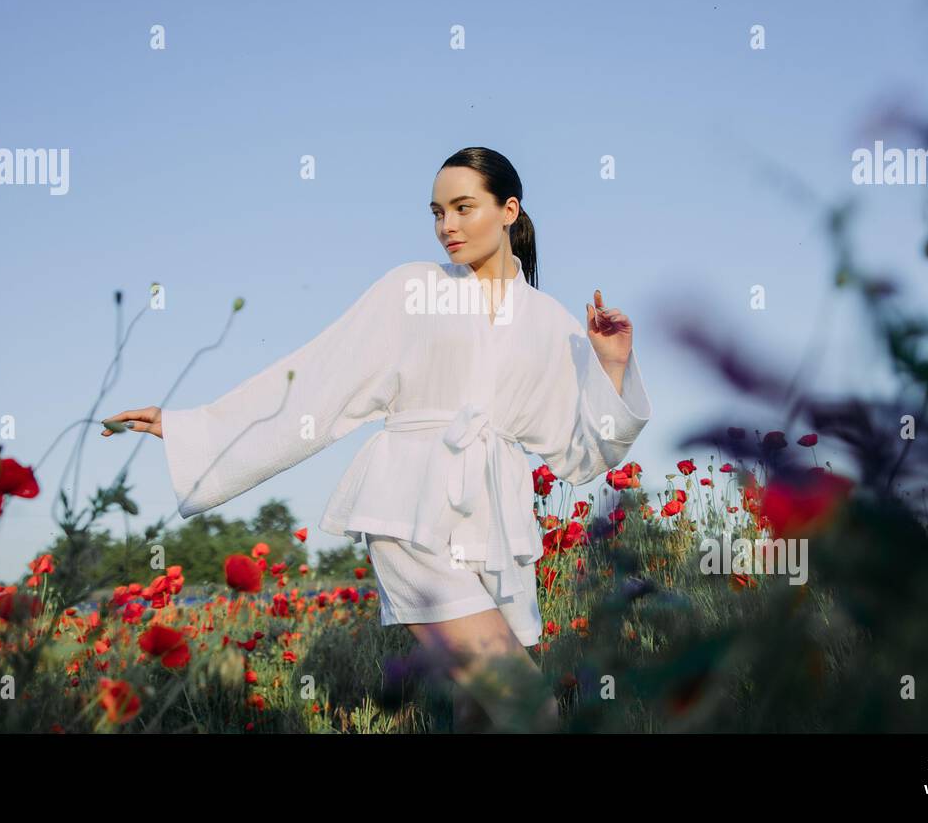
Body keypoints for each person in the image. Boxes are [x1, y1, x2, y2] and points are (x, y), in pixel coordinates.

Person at [101, 146, 653, 731]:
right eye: (437, 212)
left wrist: (612, 367)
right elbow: (318, 379)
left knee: (480, 716)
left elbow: (583, 452)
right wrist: (191, 427)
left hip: (495, 522)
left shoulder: (549, 322)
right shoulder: (409, 290)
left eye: (464, 208)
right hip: (409, 513)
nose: (448, 226)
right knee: (528, 705)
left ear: (509, 210)